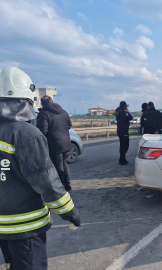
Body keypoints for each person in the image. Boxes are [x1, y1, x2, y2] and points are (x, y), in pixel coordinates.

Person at [0, 66, 80, 270]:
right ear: (27, 99)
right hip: (25, 229)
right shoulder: (26, 134)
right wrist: (69, 212)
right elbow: (46, 181)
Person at [37, 95, 73, 191]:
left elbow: (42, 131)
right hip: (66, 142)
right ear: (52, 101)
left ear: (41, 104)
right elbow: (69, 125)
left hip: (54, 144)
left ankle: (62, 186)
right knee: (64, 163)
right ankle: (67, 183)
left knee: (58, 165)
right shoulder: (64, 112)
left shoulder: (43, 113)